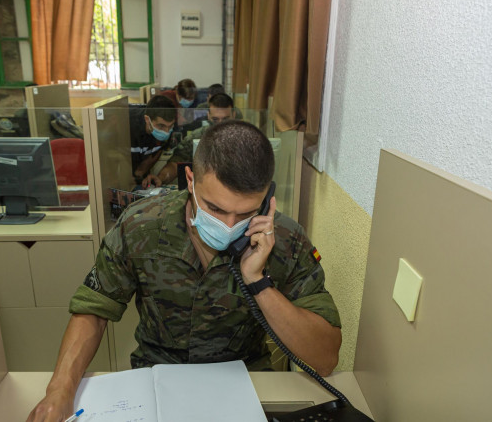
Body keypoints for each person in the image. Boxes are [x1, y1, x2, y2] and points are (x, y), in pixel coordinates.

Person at [27, 120, 342, 422]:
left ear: (267, 197)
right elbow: (93, 309)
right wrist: (60, 390)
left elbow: (324, 359)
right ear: (190, 180)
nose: (229, 226)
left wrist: (258, 282)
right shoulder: (142, 225)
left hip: (246, 383)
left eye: (245, 213)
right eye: (215, 208)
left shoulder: (286, 240)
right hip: (154, 380)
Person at [141, 92, 236, 188]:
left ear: (234, 115)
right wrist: (160, 178)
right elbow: (176, 164)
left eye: (225, 119)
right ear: (208, 116)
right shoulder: (197, 136)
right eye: (215, 119)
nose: (220, 124)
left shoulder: (243, 138)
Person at [129, 95, 177, 185]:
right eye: (161, 126)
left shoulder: (167, 127)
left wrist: (139, 175)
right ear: (147, 120)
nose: (166, 132)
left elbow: (156, 152)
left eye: (170, 126)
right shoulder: (128, 126)